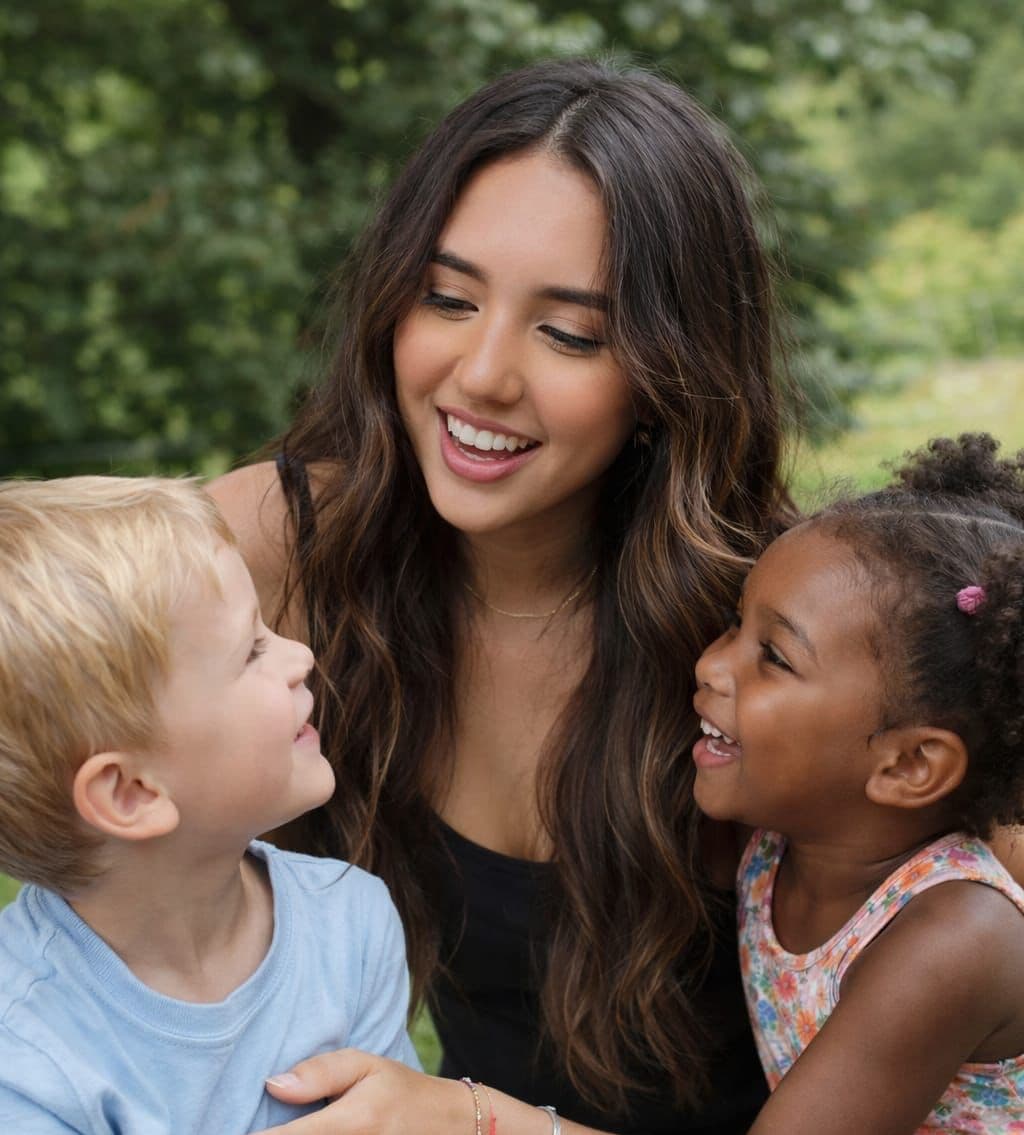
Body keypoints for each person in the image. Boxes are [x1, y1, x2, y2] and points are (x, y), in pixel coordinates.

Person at [212, 57, 794, 1135]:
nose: (480, 373)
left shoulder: (792, 640)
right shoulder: (291, 544)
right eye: (447, 297)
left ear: (673, 370)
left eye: (570, 332)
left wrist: (470, 1119)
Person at [0, 477, 418, 1134]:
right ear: (131, 793)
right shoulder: (23, 1052)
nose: (301, 655)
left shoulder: (350, 925)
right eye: (251, 650)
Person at [692, 433, 1024, 1134]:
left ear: (908, 766)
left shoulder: (956, 936)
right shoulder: (775, 841)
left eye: (773, 656)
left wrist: (474, 1114)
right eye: (734, 623)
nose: (712, 665)